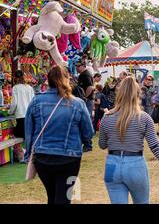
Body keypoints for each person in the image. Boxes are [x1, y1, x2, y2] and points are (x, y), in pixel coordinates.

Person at [99, 76, 159, 204]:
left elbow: (102, 145)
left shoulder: (107, 118)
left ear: (119, 94)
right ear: (137, 95)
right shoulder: (144, 118)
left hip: (112, 164)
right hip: (135, 165)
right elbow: (154, 145)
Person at [24, 65, 94, 204]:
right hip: (69, 158)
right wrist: (86, 143)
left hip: (43, 157)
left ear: (48, 81)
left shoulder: (36, 101)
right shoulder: (78, 103)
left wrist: (28, 153)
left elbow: (29, 131)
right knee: (63, 197)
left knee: (52, 195)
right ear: (67, 80)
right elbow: (89, 132)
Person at [9, 70, 35, 162]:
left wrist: (10, 112)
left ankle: (24, 156)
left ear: (15, 78)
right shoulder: (29, 88)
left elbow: (14, 103)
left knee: (16, 134)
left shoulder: (15, 88)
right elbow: (33, 102)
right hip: (30, 115)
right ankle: (27, 155)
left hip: (20, 116)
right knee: (28, 136)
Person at [75, 60, 95, 152]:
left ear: (83, 66)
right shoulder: (84, 74)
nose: (76, 68)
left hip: (87, 101)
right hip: (86, 101)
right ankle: (86, 143)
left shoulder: (85, 74)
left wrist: (84, 97)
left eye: (78, 66)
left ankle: (88, 144)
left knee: (86, 121)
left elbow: (90, 87)